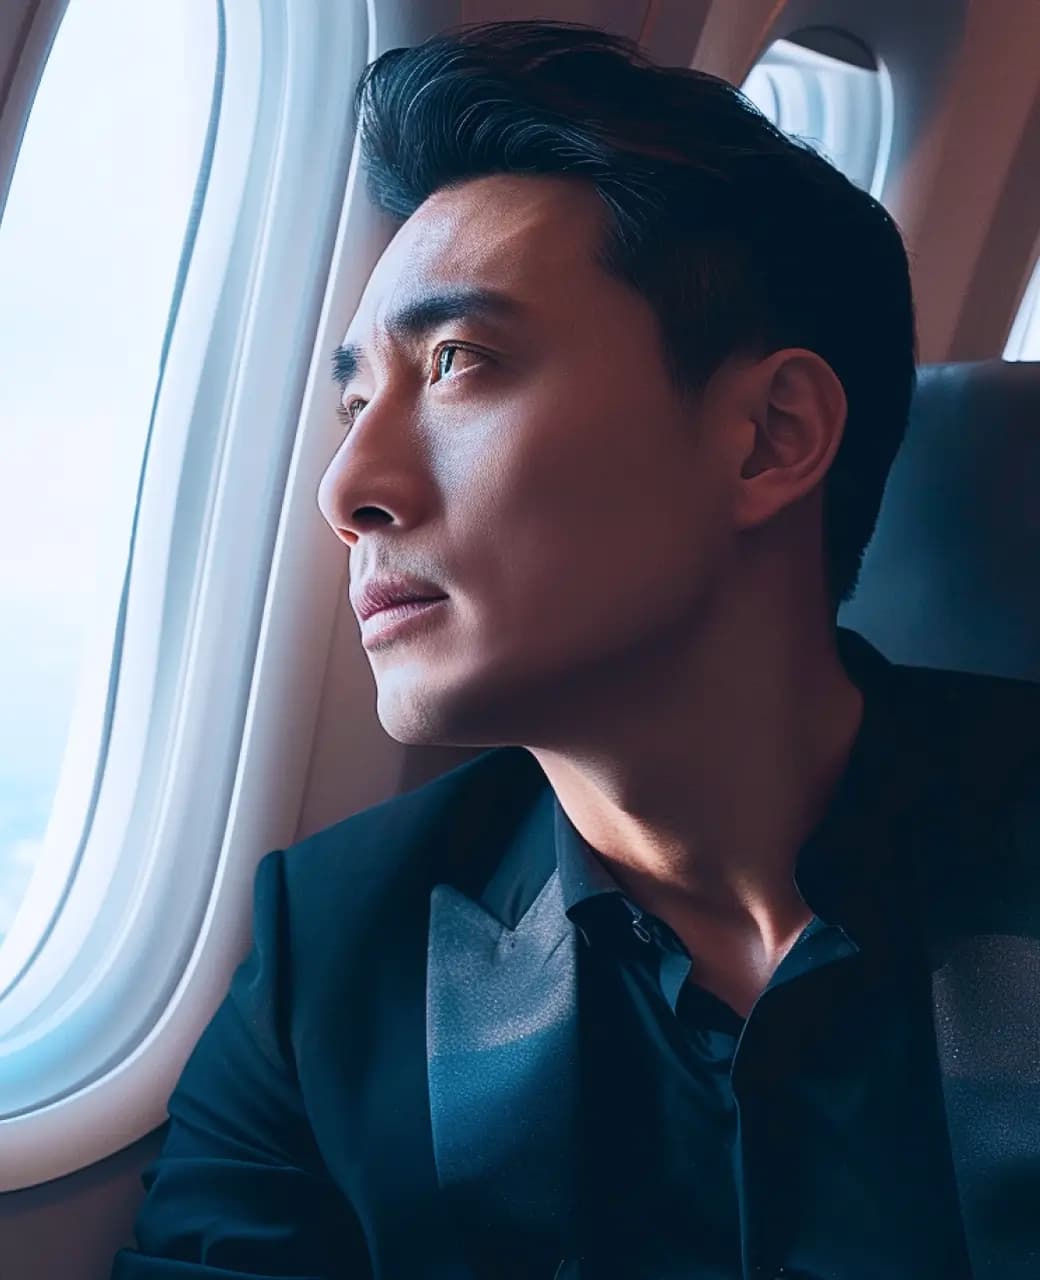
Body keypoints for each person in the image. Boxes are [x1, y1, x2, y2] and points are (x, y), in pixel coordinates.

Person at [111, 20, 1040, 1280]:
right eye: (351, 402)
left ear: (768, 437)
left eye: (455, 363)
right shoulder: (329, 958)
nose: (348, 486)